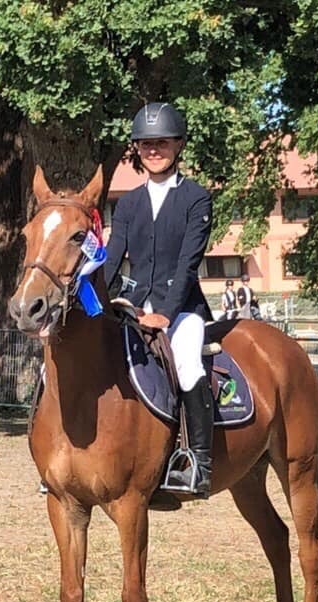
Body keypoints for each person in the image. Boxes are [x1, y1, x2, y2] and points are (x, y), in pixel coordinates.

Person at [104, 102, 214, 497]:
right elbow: (113, 257)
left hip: (182, 309)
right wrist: (94, 301)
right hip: (135, 306)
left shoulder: (196, 199)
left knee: (184, 362)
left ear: (178, 145)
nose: (154, 150)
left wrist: (166, 314)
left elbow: (188, 264)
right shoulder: (129, 203)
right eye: (147, 144)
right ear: (137, 148)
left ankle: (198, 461)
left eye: (162, 143)